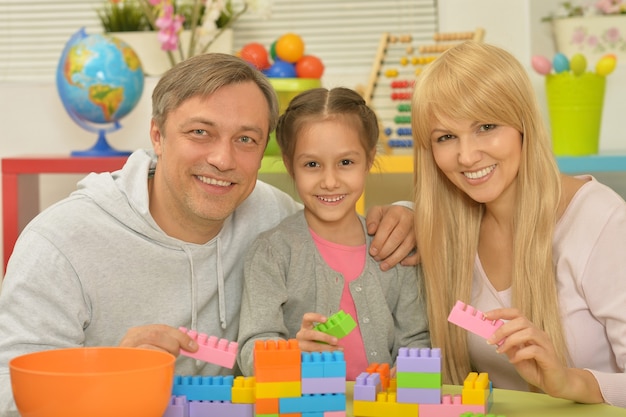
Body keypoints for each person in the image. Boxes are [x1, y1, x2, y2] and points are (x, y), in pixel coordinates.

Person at [0, 53, 418, 414]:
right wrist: (112, 371)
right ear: (157, 135)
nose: (222, 159)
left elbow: (339, 226)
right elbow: (9, 395)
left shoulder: (270, 214)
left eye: (246, 139)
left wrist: (407, 214)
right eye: (200, 132)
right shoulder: (58, 243)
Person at [411, 41, 626, 407]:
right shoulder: (447, 229)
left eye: (486, 126)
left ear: (523, 124)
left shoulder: (602, 221)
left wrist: (571, 382)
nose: (466, 156)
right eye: (446, 137)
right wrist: (400, 213)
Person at [237, 87, 430, 380]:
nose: (330, 181)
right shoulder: (271, 253)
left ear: (369, 160)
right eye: (312, 164)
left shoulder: (394, 247)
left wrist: (407, 374)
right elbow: (251, 350)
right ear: (290, 165)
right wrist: (290, 353)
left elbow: (418, 340)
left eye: (346, 163)